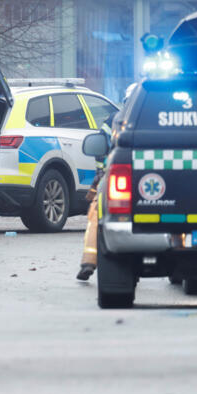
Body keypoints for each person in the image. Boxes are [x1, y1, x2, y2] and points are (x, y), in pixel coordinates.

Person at [77, 82, 136, 281]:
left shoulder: (114, 120)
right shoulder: (159, 117)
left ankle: (88, 262)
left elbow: (100, 148)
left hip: (115, 180)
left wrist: (100, 174)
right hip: (153, 184)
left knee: (96, 216)